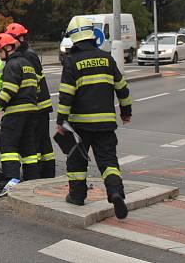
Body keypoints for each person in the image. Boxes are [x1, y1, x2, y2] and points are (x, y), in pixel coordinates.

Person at [57, 16, 132, 219]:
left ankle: (77, 196)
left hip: (80, 125)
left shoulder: (72, 61)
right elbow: (122, 89)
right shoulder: (107, 58)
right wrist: (126, 112)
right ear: (92, 36)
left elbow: (66, 95)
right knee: (108, 161)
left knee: (77, 162)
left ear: (73, 37)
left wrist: (60, 121)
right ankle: (115, 192)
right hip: (106, 124)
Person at [0, 33, 39, 191]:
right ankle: (32, 180)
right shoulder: (27, 63)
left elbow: (9, 89)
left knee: (8, 145)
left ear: (9, 48)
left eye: (1, 51)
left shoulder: (12, 65)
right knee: (28, 148)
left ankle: (11, 179)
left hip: (16, 112)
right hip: (31, 112)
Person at [5, 22, 55, 179]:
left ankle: (40, 174)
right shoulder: (26, 54)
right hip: (37, 104)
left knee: (38, 142)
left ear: (20, 38)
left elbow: (32, 81)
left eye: (12, 38)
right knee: (41, 142)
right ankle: (44, 174)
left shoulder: (27, 55)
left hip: (38, 104)